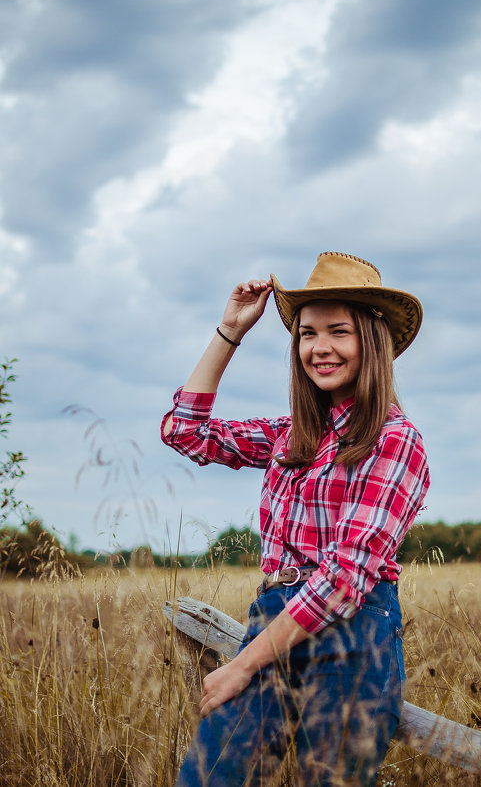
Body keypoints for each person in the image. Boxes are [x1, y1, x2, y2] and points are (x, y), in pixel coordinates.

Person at [161, 252, 430, 787]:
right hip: (273, 615)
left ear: (372, 343)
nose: (320, 348)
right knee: (210, 778)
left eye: (339, 332)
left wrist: (242, 664)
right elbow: (184, 431)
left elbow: (345, 577)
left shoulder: (395, 441)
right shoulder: (292, 434)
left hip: (353, 635)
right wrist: (231, 331)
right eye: (307, 334)